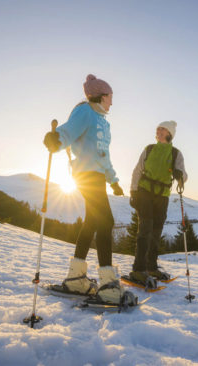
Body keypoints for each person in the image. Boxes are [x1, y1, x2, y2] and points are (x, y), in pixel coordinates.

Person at [43, 74, 134, 305]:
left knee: (92, 223)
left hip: (98, 176)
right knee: (106, 222)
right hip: (85, 175)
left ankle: (75, 279)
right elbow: (68, 131)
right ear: (101, 96)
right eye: (110, 97)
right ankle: (108, 285)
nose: (112, 102)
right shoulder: (84, 111)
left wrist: (113, 180)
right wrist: (56, 140)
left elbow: (104, 156)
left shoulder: (104, 122)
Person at [129, 121, 188, 285]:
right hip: (144, 192)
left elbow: (184, 176)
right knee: (145, 229)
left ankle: (151, 266)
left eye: (163, 129)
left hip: (162, 196)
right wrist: (133, 191)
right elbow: (137, 170)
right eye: (158, 129)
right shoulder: (149, 149)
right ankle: (138, 269)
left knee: (156, 232)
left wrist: (179, 175)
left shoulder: (176, 154)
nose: (159, 131)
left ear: (170, 134)